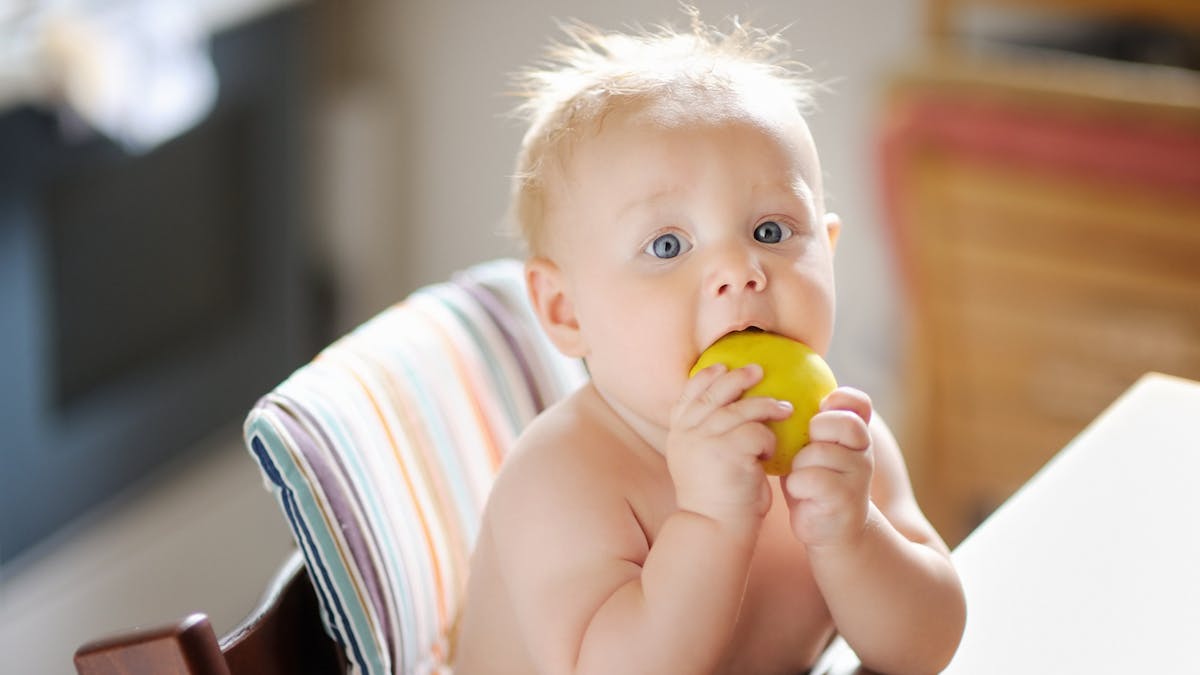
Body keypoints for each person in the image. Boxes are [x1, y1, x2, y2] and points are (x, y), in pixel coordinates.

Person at [455, 10, 965, 674]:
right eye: (668, 245)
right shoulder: (563, 476)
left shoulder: (839, 441)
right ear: (565, 309)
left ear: (828, 251)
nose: (739, 270)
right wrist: (711, 524)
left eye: (771, 231)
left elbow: (925, 648)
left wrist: (855, 535)